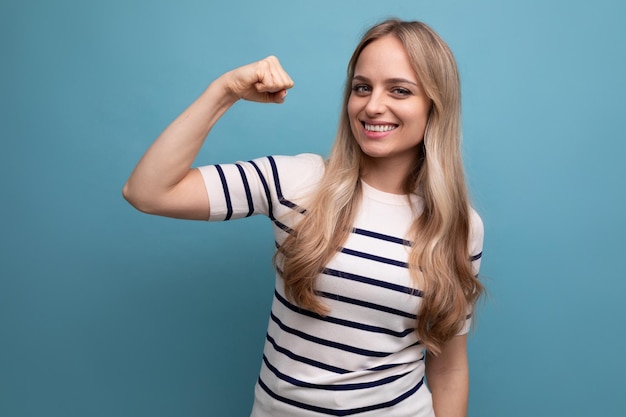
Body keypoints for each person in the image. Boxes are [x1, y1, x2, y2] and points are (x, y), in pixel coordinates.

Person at [123, 18, 484, 417]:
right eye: (362, 87)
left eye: (399, 90)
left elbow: (449, 367)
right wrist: (224, 91)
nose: (372, 105)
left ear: (436, 104)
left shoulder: (459, 226)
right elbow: (147, 192)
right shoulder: (297, 181)